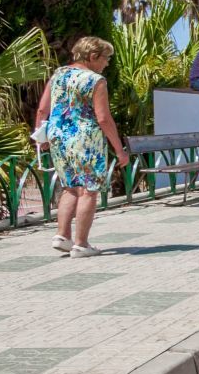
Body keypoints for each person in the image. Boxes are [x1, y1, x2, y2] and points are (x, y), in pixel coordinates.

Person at [34, 36, 129, 258]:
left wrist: (41, 136)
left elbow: (42, 110)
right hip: (85, 139)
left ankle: (62, 235)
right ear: (93, 56)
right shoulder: (95, 80)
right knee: (88, 190)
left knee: (70, 187)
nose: (107, 63)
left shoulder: (59, 74)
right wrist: (119, 149)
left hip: (59, 138)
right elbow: (103, 118)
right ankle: (81, 244)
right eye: (106, 58)